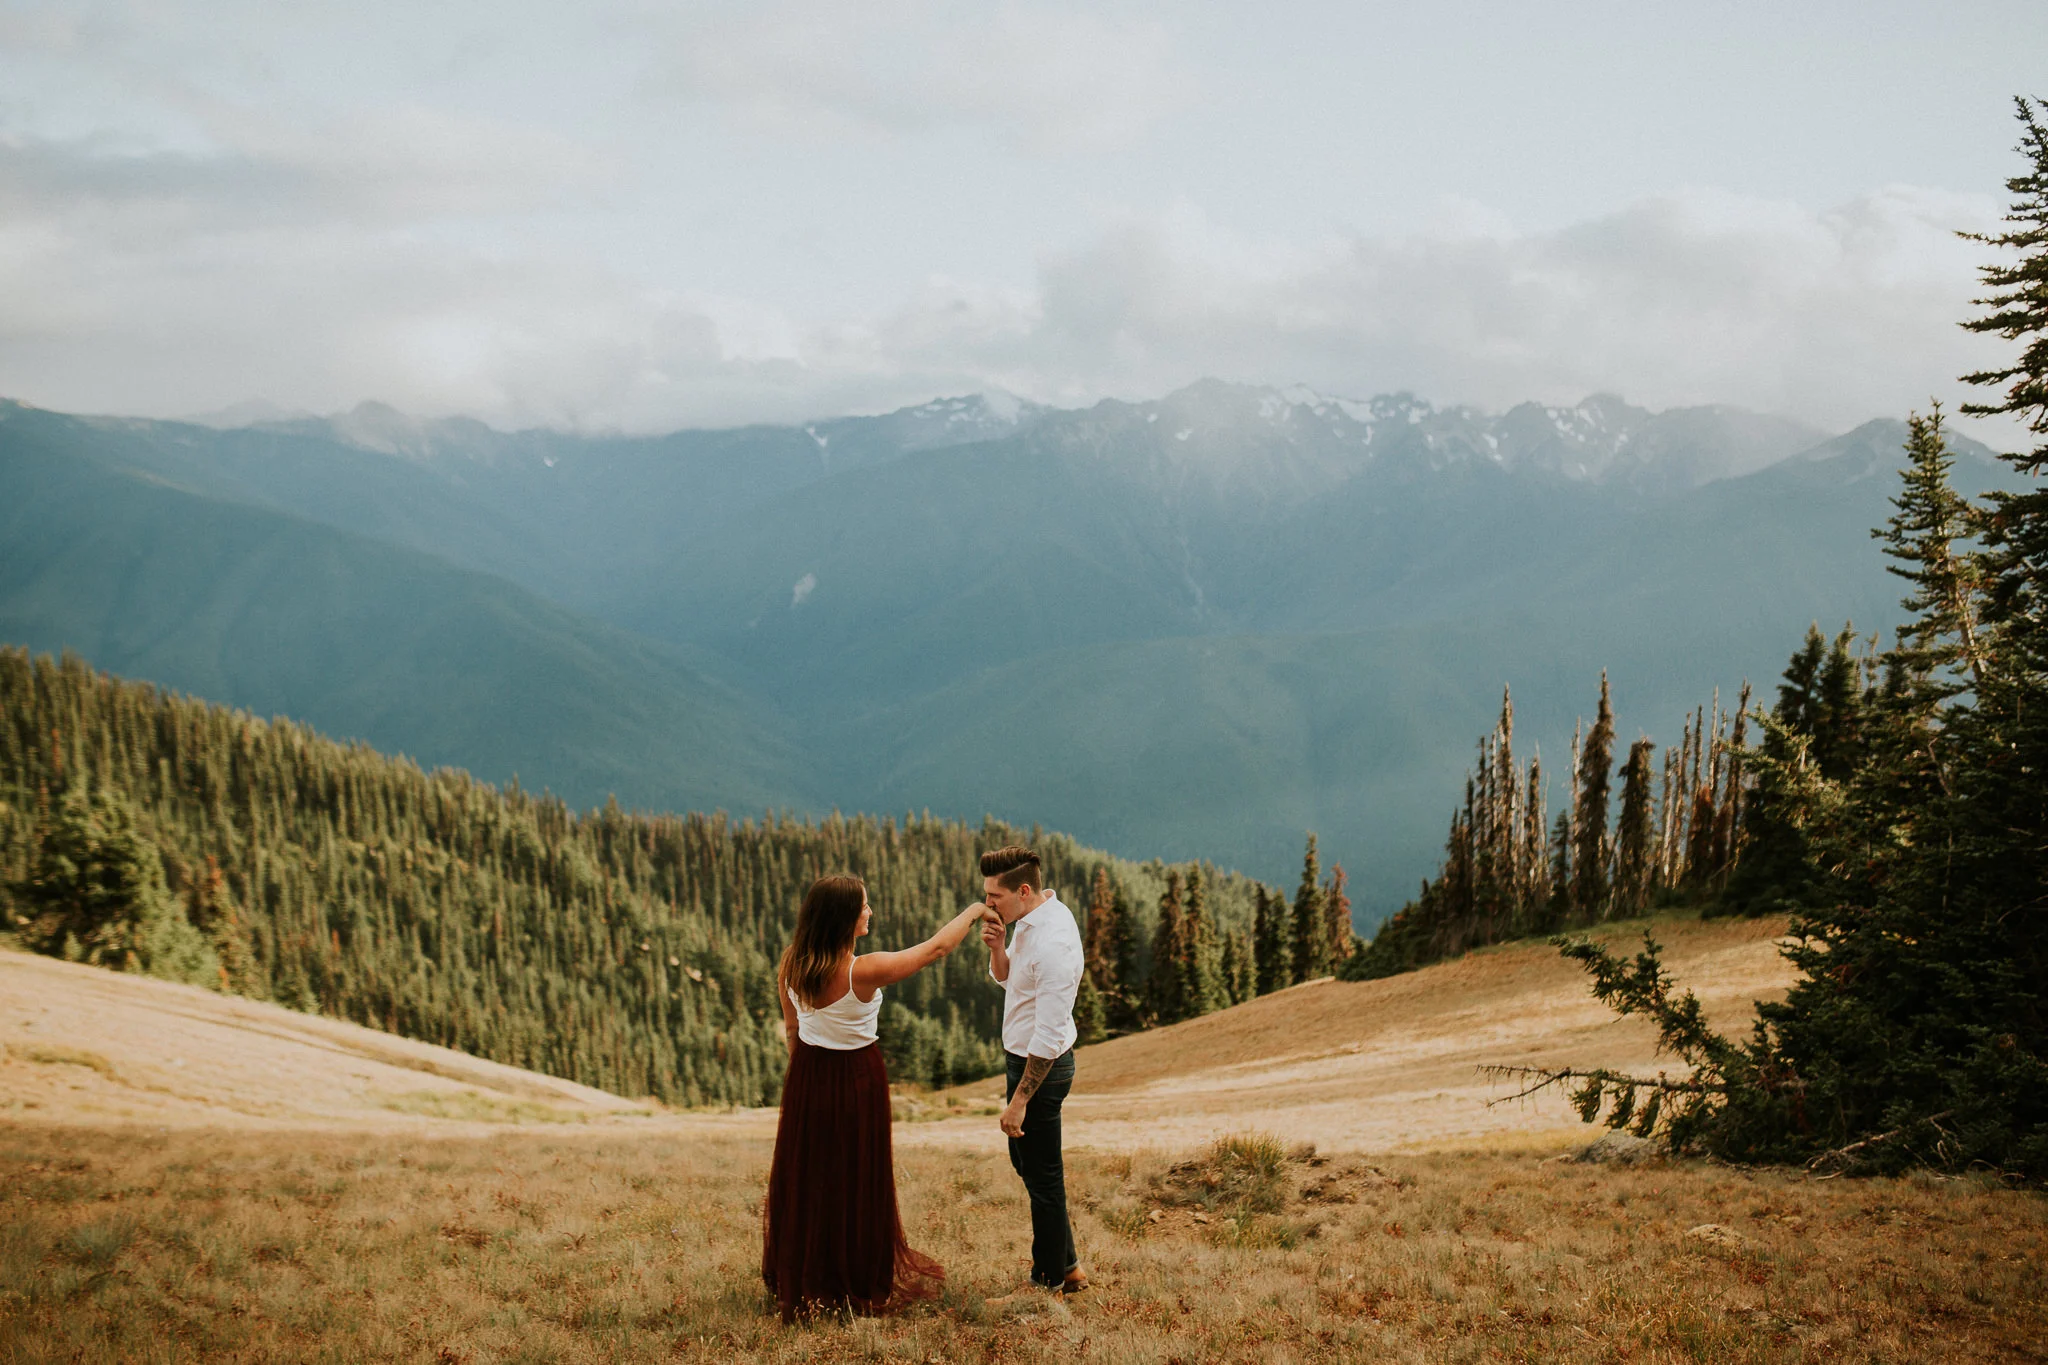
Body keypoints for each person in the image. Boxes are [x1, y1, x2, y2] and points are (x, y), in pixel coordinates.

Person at [762, 874, 992, 1323]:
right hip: (856, 1080)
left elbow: (792, 1031)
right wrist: (973, 911)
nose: (870, 912)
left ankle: (806, 1277)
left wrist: (806, 1083)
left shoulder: (791, 963)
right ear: (844, 917)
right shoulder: (860, 971)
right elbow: (935, 950)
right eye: (864, 906)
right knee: (856, 1177)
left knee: (811, 1178)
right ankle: (855, 1279)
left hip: (808, 1076)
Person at [978, 844, 1089, 1299]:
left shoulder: (1055, 942)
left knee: (1043, 1177)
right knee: (1027, 1165)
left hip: (1040, 1070)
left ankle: (1045, 1283)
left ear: (1023, 890)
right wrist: (999, 947)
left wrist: (1019, 1101)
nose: (987, 905)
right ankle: (1069, 1266)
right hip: (1020, 1060)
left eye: (993, 898)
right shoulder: (1026, 921)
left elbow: (1047, 1038)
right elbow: (1011, 981)